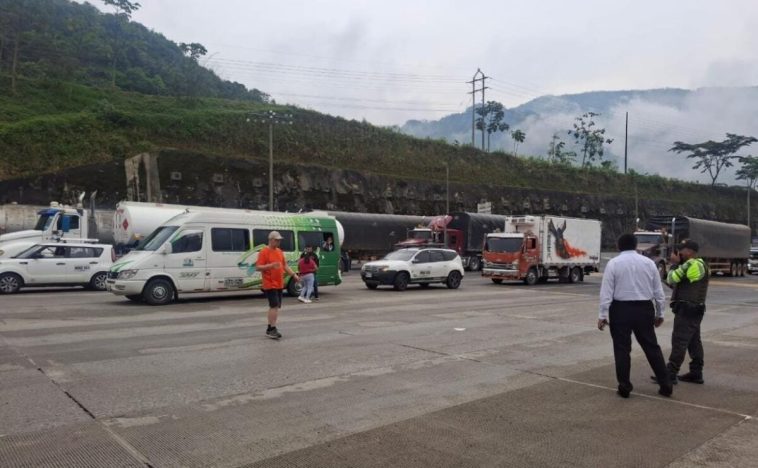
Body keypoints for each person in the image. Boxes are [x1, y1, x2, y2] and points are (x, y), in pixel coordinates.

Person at [599, 233, 672, 398]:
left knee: (622, 348)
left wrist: (602, 315)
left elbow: (606, 293)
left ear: (619, 246)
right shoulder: (649, 263)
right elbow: (658, 292)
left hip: (620, 309)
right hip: (644, 309)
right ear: (636, 245)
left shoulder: (613, 264)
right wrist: (660, 313)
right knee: (651, 347)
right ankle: (666, 384)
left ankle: (624, 386)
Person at [659, 239, 709, 385]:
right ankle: (696, 372)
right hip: (694, 309)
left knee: (679, 341)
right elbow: (676, 284)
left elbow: (673, 278)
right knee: (694, 342)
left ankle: (670, 374)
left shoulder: (691, 264)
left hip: (688, 310)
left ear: (689, 251)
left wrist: (674, 264)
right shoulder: (698, 264)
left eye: (681, 250)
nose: (678, 253)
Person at [256, 231, 300, 340]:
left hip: (279, 283)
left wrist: (294, 275)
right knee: (274, 306)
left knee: (275, 306)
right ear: (270, 240)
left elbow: (284, 265)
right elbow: (258, 267)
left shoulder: (279, 251)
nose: (279, 242)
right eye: (277, 240)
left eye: (280, 240)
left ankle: (270, 328)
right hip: (270, 283)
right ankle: (272, 329)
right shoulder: (264, 252)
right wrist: (271, 265)